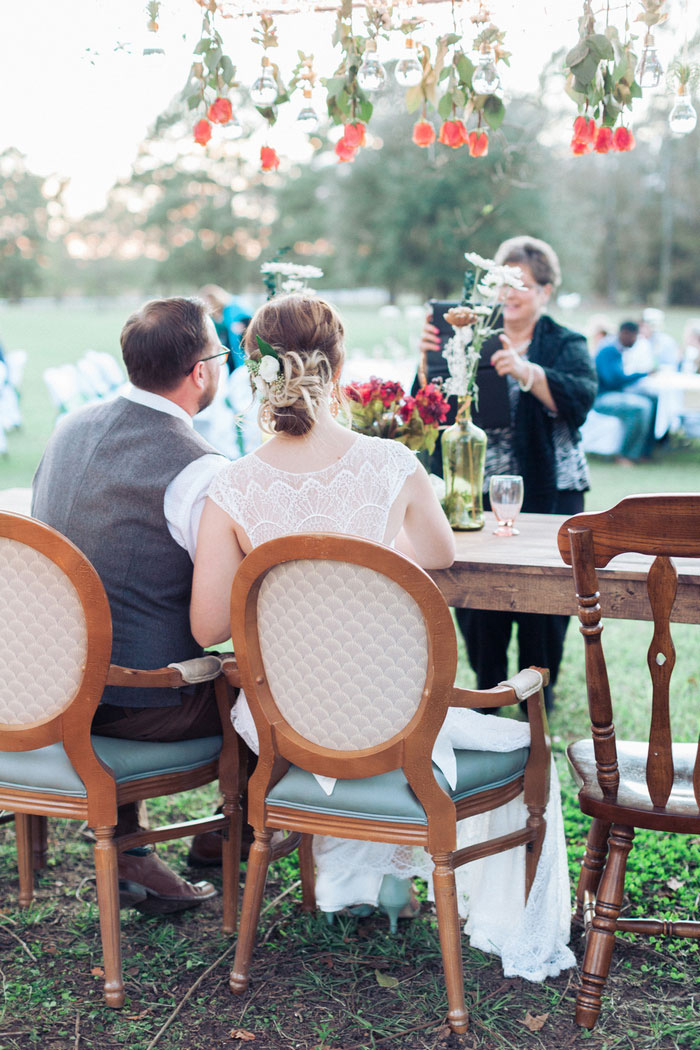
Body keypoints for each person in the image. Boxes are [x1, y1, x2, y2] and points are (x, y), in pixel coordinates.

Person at [190, 291, 574, 981]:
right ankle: (429, 889)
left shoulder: (232, 487)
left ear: (258, 371)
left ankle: (371, 882)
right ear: (336, 366)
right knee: (512, 735)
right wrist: (367, 548)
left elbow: (209, 625)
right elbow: (439, 555)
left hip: (288, 722)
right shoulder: (392, 467)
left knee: (371, 710)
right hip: (396, 717)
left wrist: (275, 567)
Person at [31, 297, 231, 914]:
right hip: (134, 706)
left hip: (46, 688)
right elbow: (220, 614)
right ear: (201, 371)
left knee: (125, 622)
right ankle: (222, 838)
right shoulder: (199, 469)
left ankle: (134, 851)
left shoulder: (68, 428)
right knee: (270, 691)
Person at [420, 236, 597, 710]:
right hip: (475, 485)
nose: (511, 293)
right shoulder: (468, 331)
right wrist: (428, 360)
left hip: (548, 486)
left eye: (524, 284)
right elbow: (431, 406)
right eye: (503, 282)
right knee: (478, 592)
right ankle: (488, 684)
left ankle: (540, 687)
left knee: (546, 596)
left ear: (546, 290)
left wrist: (527, 372)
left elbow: (580, 400)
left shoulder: (565, 342)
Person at [594, 320, 656, 464]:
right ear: (625, 334)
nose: (635, 341)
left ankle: (646, 451)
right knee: (641, 406)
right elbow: (613, 380)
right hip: (602, 397)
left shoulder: (619, 351)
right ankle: (626, 455)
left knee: (652, 399)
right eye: (634, 336)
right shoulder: (608, 351)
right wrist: (643, 374)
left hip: (616, 394)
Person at [198, 284, 251, 373]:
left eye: (210, 301)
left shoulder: (234, 307)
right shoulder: (213, 316)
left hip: (239, 350)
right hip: (228, 353)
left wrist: (243, 325)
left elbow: (249, 319)